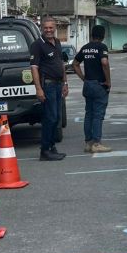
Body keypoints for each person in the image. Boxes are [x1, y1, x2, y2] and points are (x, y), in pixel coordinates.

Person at [30, 17, 69, 161]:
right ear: (42, 28)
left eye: (51, 27)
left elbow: (61, 63)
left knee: (57, 118)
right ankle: (45, 150)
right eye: (46, 28)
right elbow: (34, 68)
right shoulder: (37, 45)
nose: (48, 30)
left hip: (58, 85)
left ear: (55, 27)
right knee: (50, 118)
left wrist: (65, 83)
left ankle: (52, 147)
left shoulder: (57, 42)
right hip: (48, 86)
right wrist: (39, 89)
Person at [73, 25, 112, 153]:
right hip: (99, 84)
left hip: (88, 84)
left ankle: (88, 143)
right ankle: (97, 143)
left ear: (91, 34)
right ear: (103, 35)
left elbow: (75, 64)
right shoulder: (102, 47)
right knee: (98, 115)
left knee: (88, 114)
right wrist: (108, 81)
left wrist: (83, 78)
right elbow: (104, 63)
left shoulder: (85, 48)